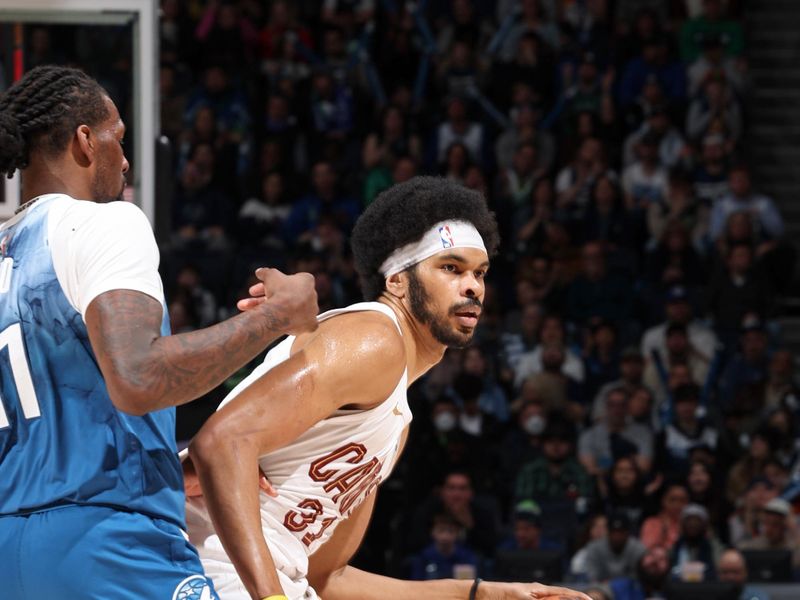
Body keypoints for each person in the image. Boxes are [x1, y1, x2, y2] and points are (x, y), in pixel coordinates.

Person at [183, 177, 590, 600]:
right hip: (201, 560)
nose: (473, 286)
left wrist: (482, 594)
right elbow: (221, 442)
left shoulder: (396, 427)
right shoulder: (374, 339)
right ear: (396, 280)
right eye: (450, 268)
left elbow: (328, 577)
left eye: (479, 273)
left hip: (270, 577)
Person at [0, 65, 319, 599]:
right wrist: (275, 317)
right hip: (109, 544)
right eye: (117, 138)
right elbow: (138, 377)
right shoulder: (104, 222)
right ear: (84, 141)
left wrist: (160, 461)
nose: (124, 160)